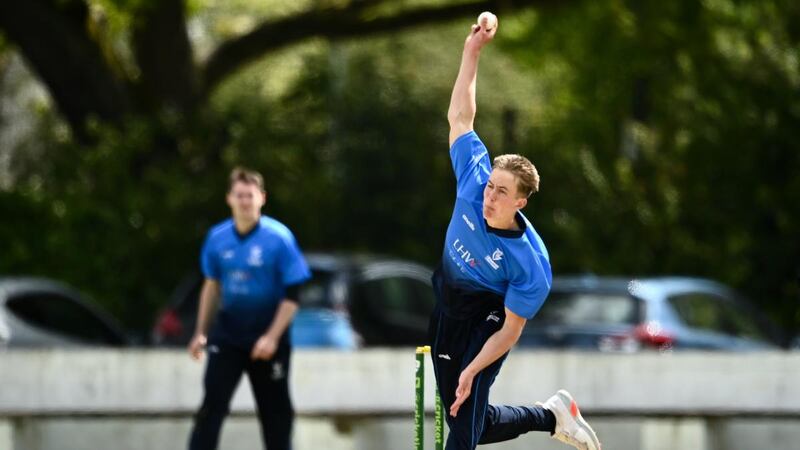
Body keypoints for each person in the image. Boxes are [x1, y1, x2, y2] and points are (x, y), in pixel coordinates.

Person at [428, 15, 602, 450]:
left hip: (489, 319)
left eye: (501, 193)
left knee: (463, 430)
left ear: (520, 202)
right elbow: (461, 117)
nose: (489, 197)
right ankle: (551, 416)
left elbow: (509, 330)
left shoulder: (530, 262)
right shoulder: (472, 181)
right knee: (471, 422)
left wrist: (473, 371)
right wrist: (472, 52)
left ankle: (535, 411)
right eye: (491, 187)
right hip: (449, 304)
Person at [187, 167, 311, 450]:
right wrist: (200, 332)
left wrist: (271, 336)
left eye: (250, 196)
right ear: (229, 198)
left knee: (276, 414)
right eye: (239, 195)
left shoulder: (279, 238)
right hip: (229, 334)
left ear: (262, 198)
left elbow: (293, 294)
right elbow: (211, 286)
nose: (244, 201)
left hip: (268, 337)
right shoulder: (217, 238)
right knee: (211, 407)